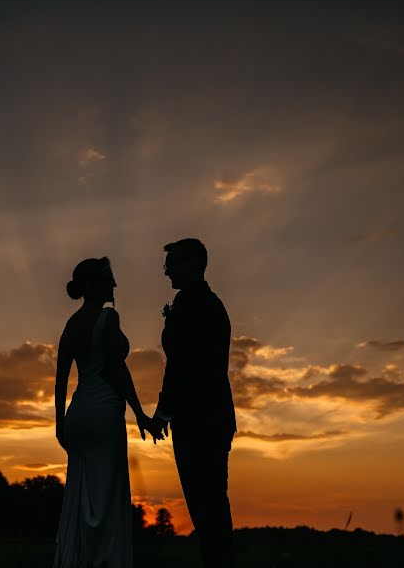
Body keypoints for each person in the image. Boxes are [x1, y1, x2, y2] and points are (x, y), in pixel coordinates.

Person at [53, 257, 162, 568]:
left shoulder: (71, 325)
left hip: (78, 415)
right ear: (91, 285)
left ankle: (76, 559)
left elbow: (61, 379)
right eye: (107, 278)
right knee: (108, 499)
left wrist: (60, 424)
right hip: (103, 414)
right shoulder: (108, 318)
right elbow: (116, 368)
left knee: (80, 494)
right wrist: (140, 413)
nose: (114, 284)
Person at [150, 238, 237, 568]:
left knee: (209, 507)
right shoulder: (193, 302)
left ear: (194, 265)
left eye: (172, 264)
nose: (167, 271)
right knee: (207, 509)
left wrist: (162, 412)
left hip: (202, 420)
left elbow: (183, 367)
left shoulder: (198, 306)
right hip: (203, 418)